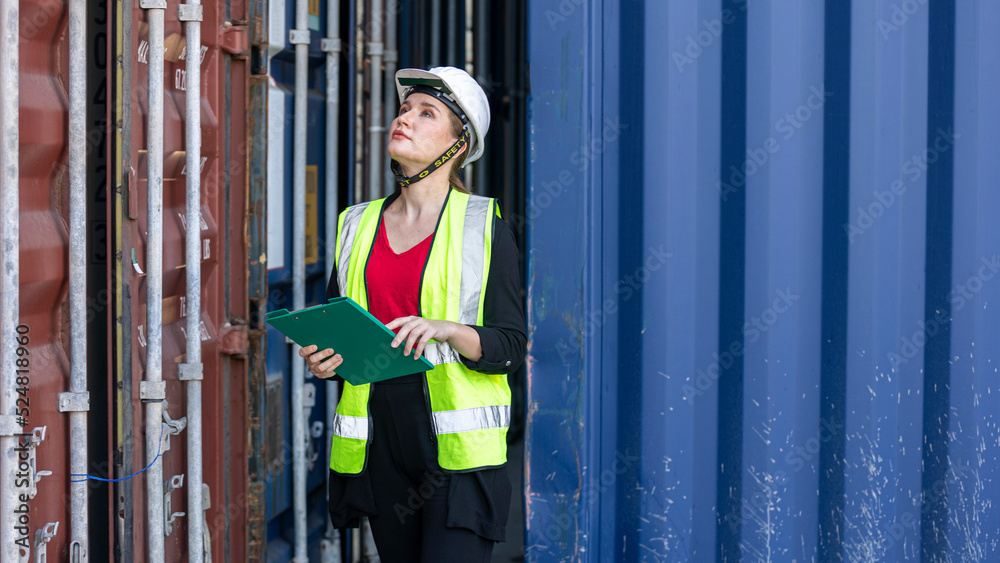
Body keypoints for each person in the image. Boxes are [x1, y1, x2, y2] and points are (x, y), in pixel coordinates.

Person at [299, 66, 526, 563]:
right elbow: (345, 328)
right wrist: (326, 359)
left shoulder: (483, 227)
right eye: (405, 109)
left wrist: (446, 329)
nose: (405, 119)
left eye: (427, 113)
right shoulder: (355, 224)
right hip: (381, 449)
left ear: (457, 144)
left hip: (458, 461)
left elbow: (510, 347)